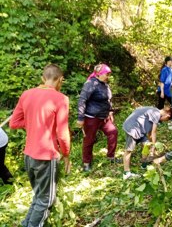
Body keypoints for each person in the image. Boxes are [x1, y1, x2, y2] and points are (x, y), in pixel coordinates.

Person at [9, 64, 71, 226]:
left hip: (29, 156)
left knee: (39, 196)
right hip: (46, 156)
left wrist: (33, 123)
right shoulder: (61, 99)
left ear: (43, 78)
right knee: (46, 200)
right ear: (60, 80)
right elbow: (62, 133)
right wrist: (66, 155)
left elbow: (14, 123)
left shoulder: (26, 94)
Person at [77, 64, 119, 171]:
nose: (108, 76)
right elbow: (82, 100)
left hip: (104, 117)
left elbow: (108, 100)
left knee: (113, 132)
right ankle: (86, 163)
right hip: (92, 117)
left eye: (109, 74)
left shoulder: (105, 85)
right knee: (89, 139)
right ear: (99, 74)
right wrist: (80, 118)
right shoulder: (91, 84)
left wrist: (110, 111)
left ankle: (111, 156)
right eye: (106, 74)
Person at [122, 106, 172, 180]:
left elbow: (150, 134)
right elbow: (154, 132)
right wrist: (153, 147)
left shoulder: (153, 111)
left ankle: (144, 164)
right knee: (129, 150)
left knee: (146, 144)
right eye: (166, 120)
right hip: (132, 128)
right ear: (168, 115)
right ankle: (126, 173)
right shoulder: (156, 114)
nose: (163, 121)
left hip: (139, 129)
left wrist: (152, 145)